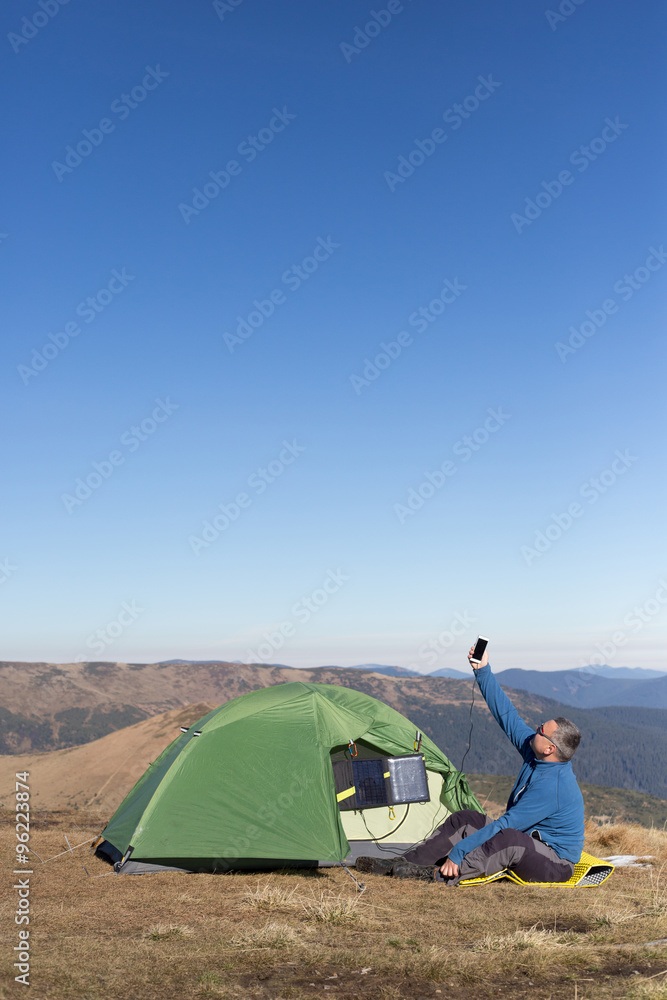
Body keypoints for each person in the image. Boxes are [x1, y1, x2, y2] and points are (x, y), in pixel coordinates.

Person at [356, 644, 584, 884]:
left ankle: (439, 875)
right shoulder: (535, 752)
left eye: (540, 730)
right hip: (528, 841)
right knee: (464, 819)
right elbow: (507, 716)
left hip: (555, 863)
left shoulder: (554, 787)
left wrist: (458, 852)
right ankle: (407, 864)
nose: (534, 729)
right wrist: (483, 670)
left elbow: (507, 824)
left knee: (508, 840)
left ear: (550, 748)